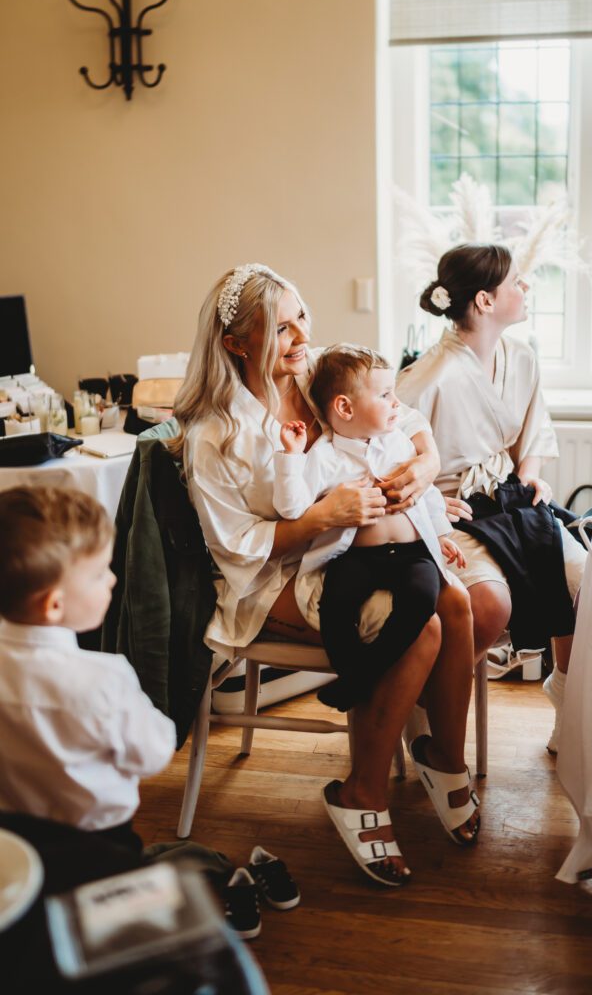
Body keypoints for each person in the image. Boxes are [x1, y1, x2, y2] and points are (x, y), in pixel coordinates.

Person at [169, 263, 480, 888]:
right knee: (418, 630)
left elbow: (406, 417)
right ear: (236, 343)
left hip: (353, 546)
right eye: (281, 328)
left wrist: (424, 467)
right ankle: (361, 792)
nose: (301, 335)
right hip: (273, 573)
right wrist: (321, 518)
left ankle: (443, 758)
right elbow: (238, 550)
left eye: (301, 316)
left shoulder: (315, 377)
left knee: (458, 603)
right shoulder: (216, 435)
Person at [396, 244, 587, 753]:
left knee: (589, 581)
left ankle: (565, 698)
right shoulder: (425, 379)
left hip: (509, 499)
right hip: (454, 512)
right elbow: (391, 461)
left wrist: (532, 474)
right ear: (484, 300)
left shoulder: (521, 358)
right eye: (517, 282)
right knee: (488, 604)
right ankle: (427, 702)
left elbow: (532, 435)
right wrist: (432, 505)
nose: (526, 289)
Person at [272, 343, 466, 713]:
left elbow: (426, 494)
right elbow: (292, 506)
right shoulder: (324, 457)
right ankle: (352, 674)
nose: (396, 403)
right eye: (385, 395)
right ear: (345, 407)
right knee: (335, 606)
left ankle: (366, 674)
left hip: (411, 554)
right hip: (356, 556)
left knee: (422, 600)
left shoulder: (398, 445)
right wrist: (290, 458)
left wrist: (441, 535)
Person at [0, 485, 176, 870]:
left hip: (11, 842)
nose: (112, 581)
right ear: (54, 603)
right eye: (99, 574)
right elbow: (153, 754)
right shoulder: (104, 680)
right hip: (99, 843)